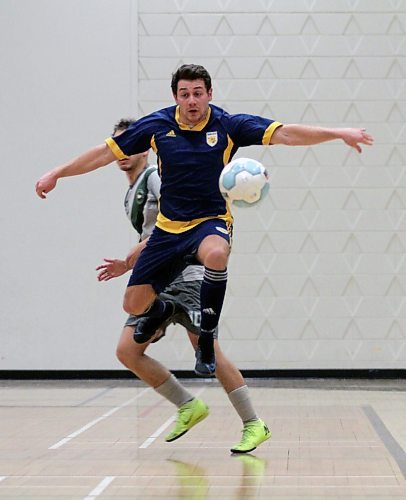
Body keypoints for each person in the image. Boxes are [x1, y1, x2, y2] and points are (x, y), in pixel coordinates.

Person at [35, 63, 374, 379]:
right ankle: (162, 309)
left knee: (216, 254)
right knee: (133, 304)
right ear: (176, 97)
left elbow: (286, 133)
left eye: (198, 92)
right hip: (168, 229)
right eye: (185, 94)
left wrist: (337, 132)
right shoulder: (157, 126)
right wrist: (57, 173)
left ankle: (207, 337)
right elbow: (105, 152)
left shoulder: (228, 125)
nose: (192, 100)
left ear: (210, 94)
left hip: (210, 221)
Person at [95, 118, 272, 454]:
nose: (121, 151)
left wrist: (128, 261)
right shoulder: (131, 190)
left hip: (184, 272)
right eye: (117, 145)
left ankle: (254, 423)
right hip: (158, 275)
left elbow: (173, 229)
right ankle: (188, 405)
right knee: (127, 350)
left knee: (208, 351)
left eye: (128, 144)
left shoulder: (158, 179)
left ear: (145, 149)